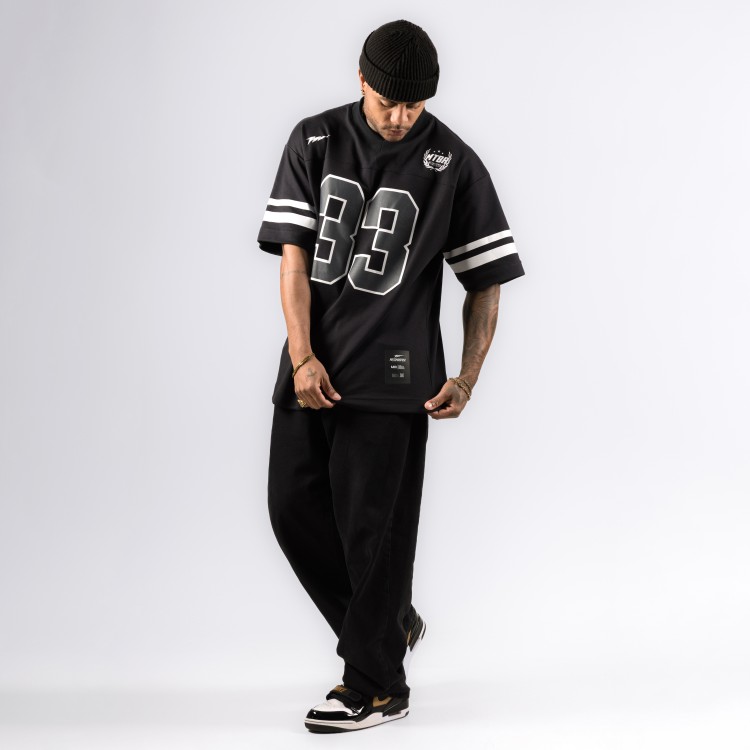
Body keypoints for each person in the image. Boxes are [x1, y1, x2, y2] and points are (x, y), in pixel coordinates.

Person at [257, 19, 525, 733]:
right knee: (290, 512)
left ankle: (376, 686)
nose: (401, 117)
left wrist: (468, 377)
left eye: (415, 104)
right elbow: (293, 261)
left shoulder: (454, 162)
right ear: (361, 80)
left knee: (374, 537)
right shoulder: (314, 139)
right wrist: (302, 354)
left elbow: (486, 279)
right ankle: (390, 623)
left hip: (396, 377)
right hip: (313, 367)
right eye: (388, 103)